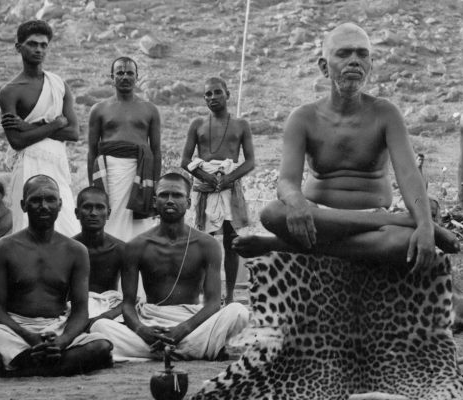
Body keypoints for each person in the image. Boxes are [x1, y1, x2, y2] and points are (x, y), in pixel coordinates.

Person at [232, 23, 459, 270]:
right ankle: (403, 221)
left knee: (403, 242)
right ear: (323, 67)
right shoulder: (303, 118)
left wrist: (424, 225)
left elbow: (408, 174)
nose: (354, 61)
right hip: (318, 216)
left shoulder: (386, 114)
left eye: (362, 54)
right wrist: (296, 201)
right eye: (343, 54)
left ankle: (280, 245)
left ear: (370, 64)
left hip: (375, 215)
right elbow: (286, 181)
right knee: (272, 213)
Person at [91, 173, 248, 361]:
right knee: (100, 326)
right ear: (155, 201)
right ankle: (190, 349)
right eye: (164, 195)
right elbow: (128, 303)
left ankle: (161, 351)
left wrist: (184, 329)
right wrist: (142, 330)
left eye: (177, 195)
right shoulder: (137, 246)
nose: (170, 200)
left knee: (238, 312)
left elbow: (213, 303)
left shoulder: (207, 244)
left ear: (189, 202)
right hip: (152, 321)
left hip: (193, 322)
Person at [0, 175, 112, 376]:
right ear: (23, 205)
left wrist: (62, 341)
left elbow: (80, 312)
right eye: (36, 200)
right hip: (17, 330)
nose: (44, 206)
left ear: (60, 204)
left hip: (56, 329)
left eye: (50, 200)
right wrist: (31, 338)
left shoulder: (76, 251)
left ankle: (24, 368)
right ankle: (58, 365)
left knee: (101, 343)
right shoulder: (3, 248)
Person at [0, 20, 79, 237]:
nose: (39, 49)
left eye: (44, 45)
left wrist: (30, 126)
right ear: (19, 47)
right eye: (33, 44)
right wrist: (54, 124)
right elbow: (17, 142)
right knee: (26, 230)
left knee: (68, 229)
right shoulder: (10, 91)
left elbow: (73, 132)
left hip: (57, 164)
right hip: (28, 165)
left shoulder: (59, 84)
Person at [181, 77, 255, 304]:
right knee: (204, 241)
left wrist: (229, 178)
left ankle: (230, 295)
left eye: (217, 92)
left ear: (228, 94)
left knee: (231, 242)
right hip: (206, 186)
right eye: (208, 94)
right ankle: (206, 296)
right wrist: (206, 177)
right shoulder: (198, 124)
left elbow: (250, 161)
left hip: (230, 185)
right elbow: (185, 160)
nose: (212, 97)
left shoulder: (241, 125)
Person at [88, 56, 161, 243]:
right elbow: (92, 152)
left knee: (139, 230)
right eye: (120, 72)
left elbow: (156, 150)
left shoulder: (150, 109)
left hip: (140, 172)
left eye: (130, 73)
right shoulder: (99, 109)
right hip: (110, 174)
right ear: (112, 77)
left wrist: (155, 186)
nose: (125, 77)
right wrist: (92, 188)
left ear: (137, 77)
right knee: (110, 222)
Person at [73, 187, 125, 327]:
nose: (93, 213)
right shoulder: (67, 249)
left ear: (108, 213)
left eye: (99, 207)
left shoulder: (121, 249)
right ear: (77, 213)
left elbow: (130, 299)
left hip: (111, 310)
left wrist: (105, 317)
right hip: (74, 310)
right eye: (87, 207)